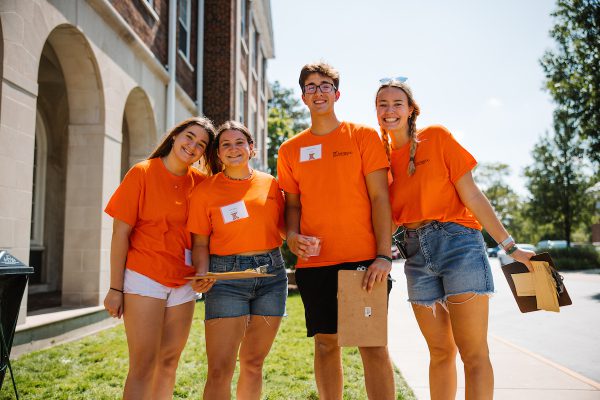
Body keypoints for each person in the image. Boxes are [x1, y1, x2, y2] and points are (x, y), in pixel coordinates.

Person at [375, 78, 535, 400]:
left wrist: (509, 246)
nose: (389, 110)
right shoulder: (381, 159)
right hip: (415, 253)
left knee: (473, 353)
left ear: (410, 111)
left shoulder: (437, 137)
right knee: (440, 352)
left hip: (458, 244)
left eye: (397, 104)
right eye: (382, 104)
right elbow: (386, 216)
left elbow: (473, 195)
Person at [277, 62, 396, 399]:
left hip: (363, 263)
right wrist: (292, 236)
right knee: (327, 346)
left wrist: (384, 255)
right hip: (315, 265)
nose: (318, 91)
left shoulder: (362, 137)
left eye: (325, 85)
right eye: (311, 86)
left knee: (371, 346)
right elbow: (293, 206)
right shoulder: (290, 150)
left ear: (337, 94)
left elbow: (380, 198)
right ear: (303, 96)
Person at [103, 116, 216, 399]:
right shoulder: (142, 172)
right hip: (144, 277)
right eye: (189, 137)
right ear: (175, 136)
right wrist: (115, 288)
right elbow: (120, 234)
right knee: (143, 365)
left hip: (184, 283)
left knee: (168, 363)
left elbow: (202, 238)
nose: (192, 146)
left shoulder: (201, 184)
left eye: (201, 144)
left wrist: (203, 271)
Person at [187, 120, 287, 400]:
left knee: (254, 364)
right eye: (225, 145)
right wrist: (203, 272)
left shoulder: (270, 184)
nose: (233, 149)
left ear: (252, 148)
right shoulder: (205, 191)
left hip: (271, 276)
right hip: (225, 279)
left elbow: (284, 227)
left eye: (239, 143)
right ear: (218, 154)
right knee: (220, 368)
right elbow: (200, 242)